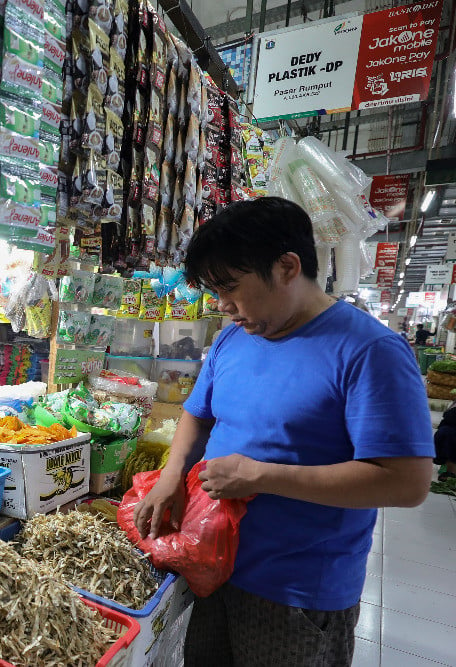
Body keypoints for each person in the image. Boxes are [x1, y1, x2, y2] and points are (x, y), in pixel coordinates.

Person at [134, 197, 433, 667]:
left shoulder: (371, 351)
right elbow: (198, 411)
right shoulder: (236, 335)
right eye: (215, 291)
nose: (224, 306)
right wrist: (173, 473)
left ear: (288, 267)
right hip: (212, 565)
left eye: (231, 287)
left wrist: (262, 476)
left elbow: (407, 482)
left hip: (297, 594)